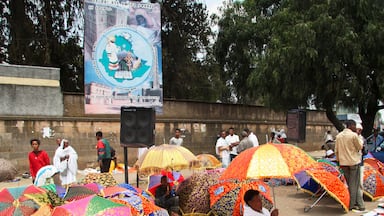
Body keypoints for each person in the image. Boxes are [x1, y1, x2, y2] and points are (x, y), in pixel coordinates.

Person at [335, 120, 365, 212]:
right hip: (353, 162)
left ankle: (359, 204)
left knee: (350, 184)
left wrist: (338, 161)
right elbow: (360, 147)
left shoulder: (338, 136)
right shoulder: (353, 135)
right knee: (354, 185)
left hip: (343, 163)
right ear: (350, 125)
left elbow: (336, 151)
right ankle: (353, 205)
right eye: (354, 126)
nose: (355, 128)